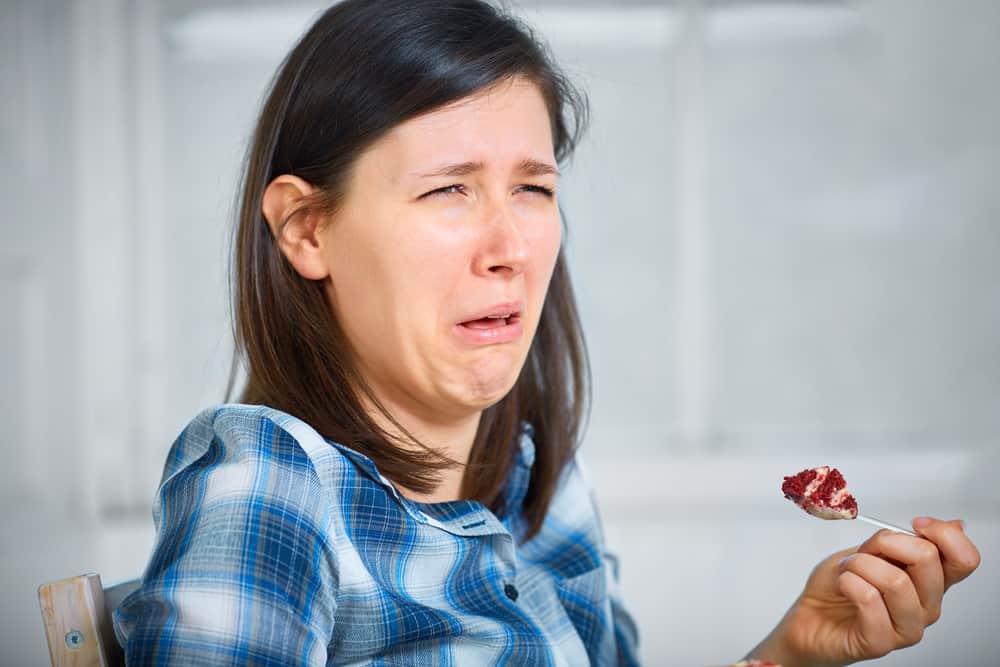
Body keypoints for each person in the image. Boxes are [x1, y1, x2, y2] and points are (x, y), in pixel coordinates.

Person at [113, 1, 981, 665]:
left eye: (533, 188)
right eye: (447, 189)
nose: (512, 248)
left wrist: (788, 651)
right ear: (307, 230)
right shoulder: (269, 481)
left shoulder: (543, 483)